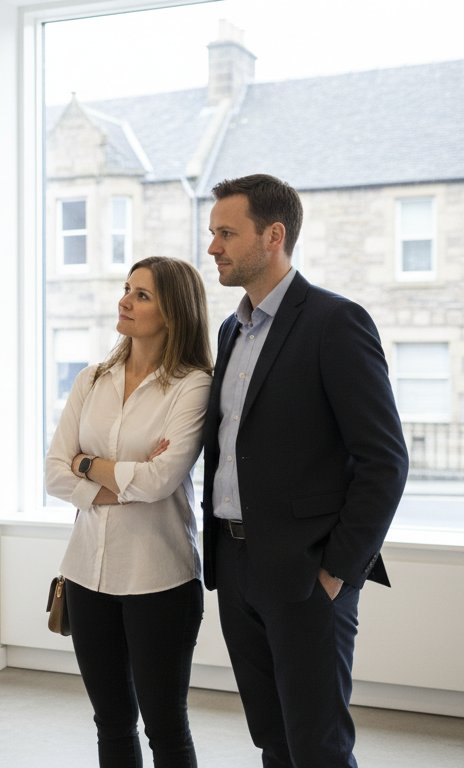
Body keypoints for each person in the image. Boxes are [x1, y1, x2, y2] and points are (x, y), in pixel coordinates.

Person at [201, 173, 409, 767]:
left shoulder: (335, 322)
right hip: (235, 566)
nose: (213, 247)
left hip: (306, 573)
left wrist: (337, 571)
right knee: (272, 738)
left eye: (226, 233)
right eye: (212, 233)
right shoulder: (231, 330)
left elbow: (385, 460)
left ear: (274, 236)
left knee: (318, 748)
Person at [46, 255, 213, 768]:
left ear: (174, 311)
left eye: (142, 295)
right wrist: (124, 478)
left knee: (165, 727)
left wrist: (87, 464)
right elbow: (54, 473)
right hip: (86, 575)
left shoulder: (193, 385)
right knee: (111, 723)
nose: (125, 301)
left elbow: (161, 479)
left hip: (159, 579)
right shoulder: (92, 380)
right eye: (126, 289)